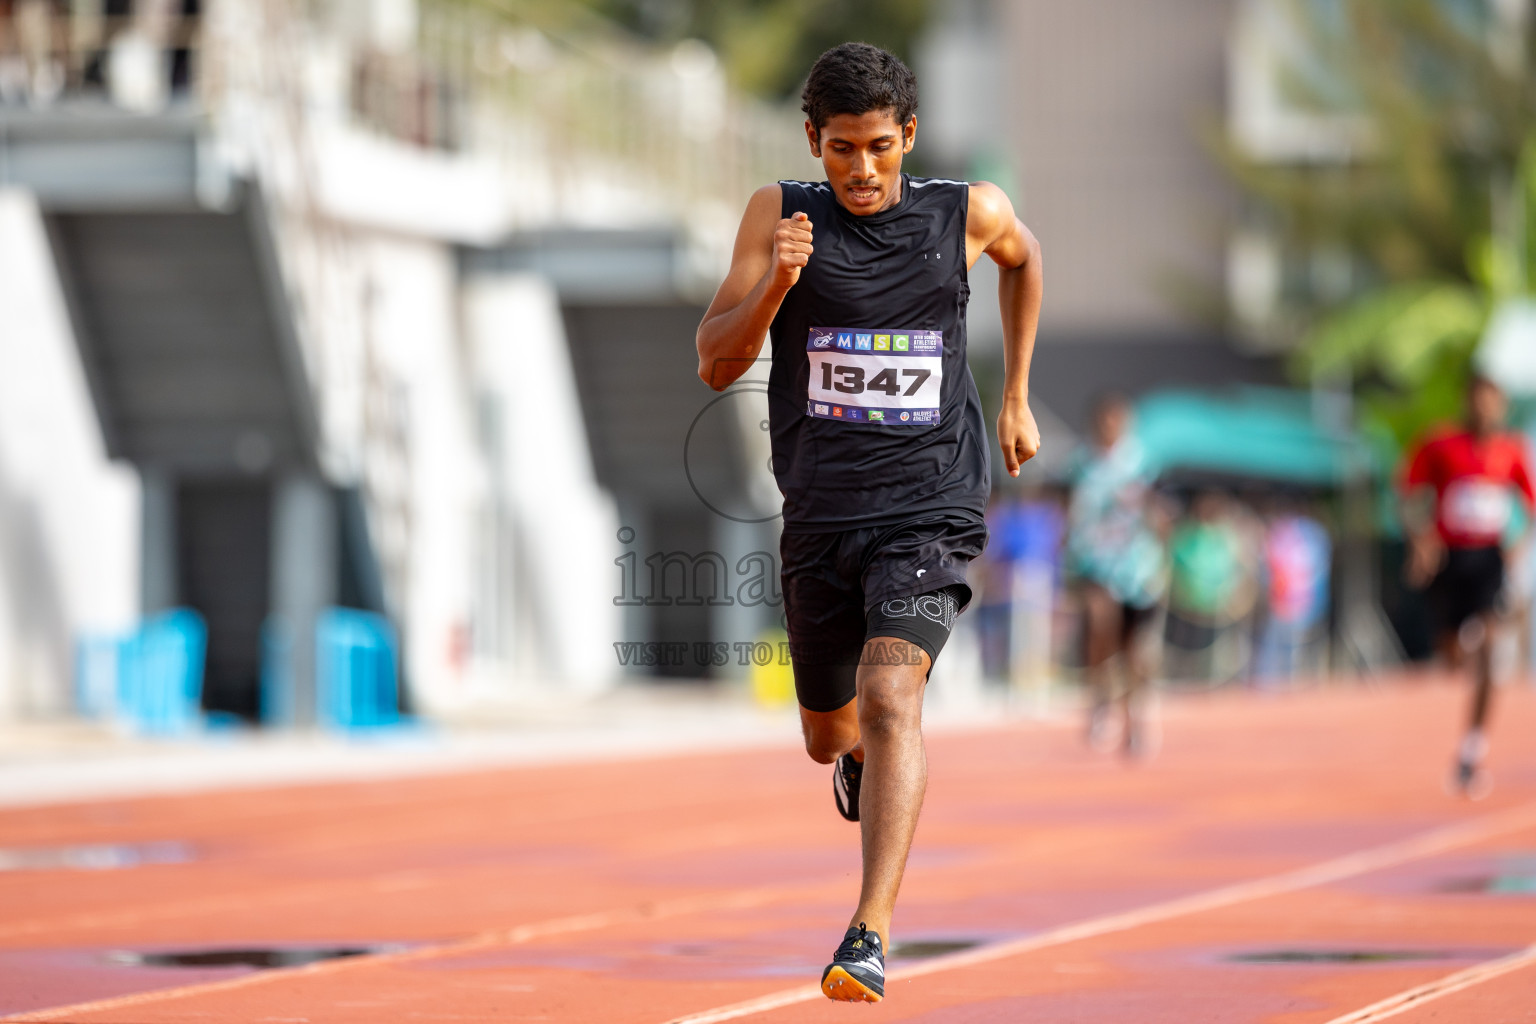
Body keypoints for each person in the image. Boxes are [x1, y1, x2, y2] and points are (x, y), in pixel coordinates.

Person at [695, 42, 1042, 1003]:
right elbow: (715, 363)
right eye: (842, 149)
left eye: (880, 148)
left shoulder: (962, 213)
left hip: (930, 507)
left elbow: (1025, 258)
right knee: (827, 731)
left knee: (894, 697)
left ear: (909, 138)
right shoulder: (780, 215)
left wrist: (1014, 395)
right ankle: (850, 759)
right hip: (821, 513)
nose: (861, 169)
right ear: (813, 139)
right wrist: (775, 287)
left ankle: (870, 931)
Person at [1402, 374, 1535, 797]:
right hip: (1448, 560)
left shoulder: (1510, 451)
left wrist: (1516, 547)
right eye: (1477, 401)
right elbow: (1409, 493)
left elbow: (1530, 505)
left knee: (1492, 647)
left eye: (1492, 402)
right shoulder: (1441, 445)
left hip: (1487, 560)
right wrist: (1422, 541)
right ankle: (1464, 643)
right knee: (1451, 657)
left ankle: (1472, 748)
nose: (1484, 410)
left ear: (1501, 406)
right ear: (1466, 402)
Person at [1064, 395, 1168, 756]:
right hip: (1096, 564)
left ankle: (1136, 721)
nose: (1111, 426)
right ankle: (1100, 700)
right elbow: (1070, 511)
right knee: (1099, 623)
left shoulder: (1144, 463)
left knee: (1136, 653)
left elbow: (1162, 511)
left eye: (1118, 419)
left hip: (1138, 569)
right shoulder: (1081, 463)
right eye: (1105, 419)